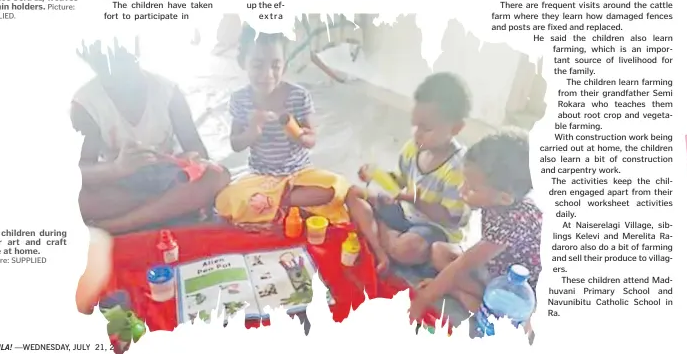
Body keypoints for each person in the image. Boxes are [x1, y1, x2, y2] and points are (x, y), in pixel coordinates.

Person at [71, 41, 224, 234]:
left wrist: (190, 158)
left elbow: (197, 149)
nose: (117, 74)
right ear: (89, 60)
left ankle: (117, 225)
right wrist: (116, 168)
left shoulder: (167, 92)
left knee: (217, 174)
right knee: (73, 197)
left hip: (168, 176)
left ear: (136, 51)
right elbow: (80, 172)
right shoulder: (86, 104)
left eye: (123, 61)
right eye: (105, 66)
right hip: (121, 184)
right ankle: (169, 207)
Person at [213, 26, 350, 227]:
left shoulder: (298, 96)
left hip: (299, 174)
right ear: (244, 63)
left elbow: (311, 140)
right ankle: (291, 207)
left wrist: (300, 136)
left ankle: (274, 206)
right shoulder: (240, 99)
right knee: (225, 200)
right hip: (262, 177)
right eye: (258, 65)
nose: (267, 74)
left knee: (335, 187)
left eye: (275, 66)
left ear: (284, 66)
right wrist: (252, 131)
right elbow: (236, 144)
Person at [408, 129, 542, 322]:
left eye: (471, 188)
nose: (461, 190)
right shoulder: (501, 202)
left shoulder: (512, 223)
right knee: (439, 252)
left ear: (504, 198)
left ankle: (469, 297)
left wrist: (422, 300)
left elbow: (463, 265)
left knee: (463, 280)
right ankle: (458, 289)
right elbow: (471, 258)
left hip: (512, 289)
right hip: (494, 266)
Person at [346, 72, 471, 275]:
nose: (417, 133)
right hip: (405, 213)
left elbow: (453, 218)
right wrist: (378, 175)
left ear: (456, 128)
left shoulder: (459, 168)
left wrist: (416, 200)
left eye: (426, 128)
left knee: (407, 249)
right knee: (352, 193)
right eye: (415, 125)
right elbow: (401, 180)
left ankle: (380, 235)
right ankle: (385, 245)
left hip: (436, 229)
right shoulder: (413, 148)